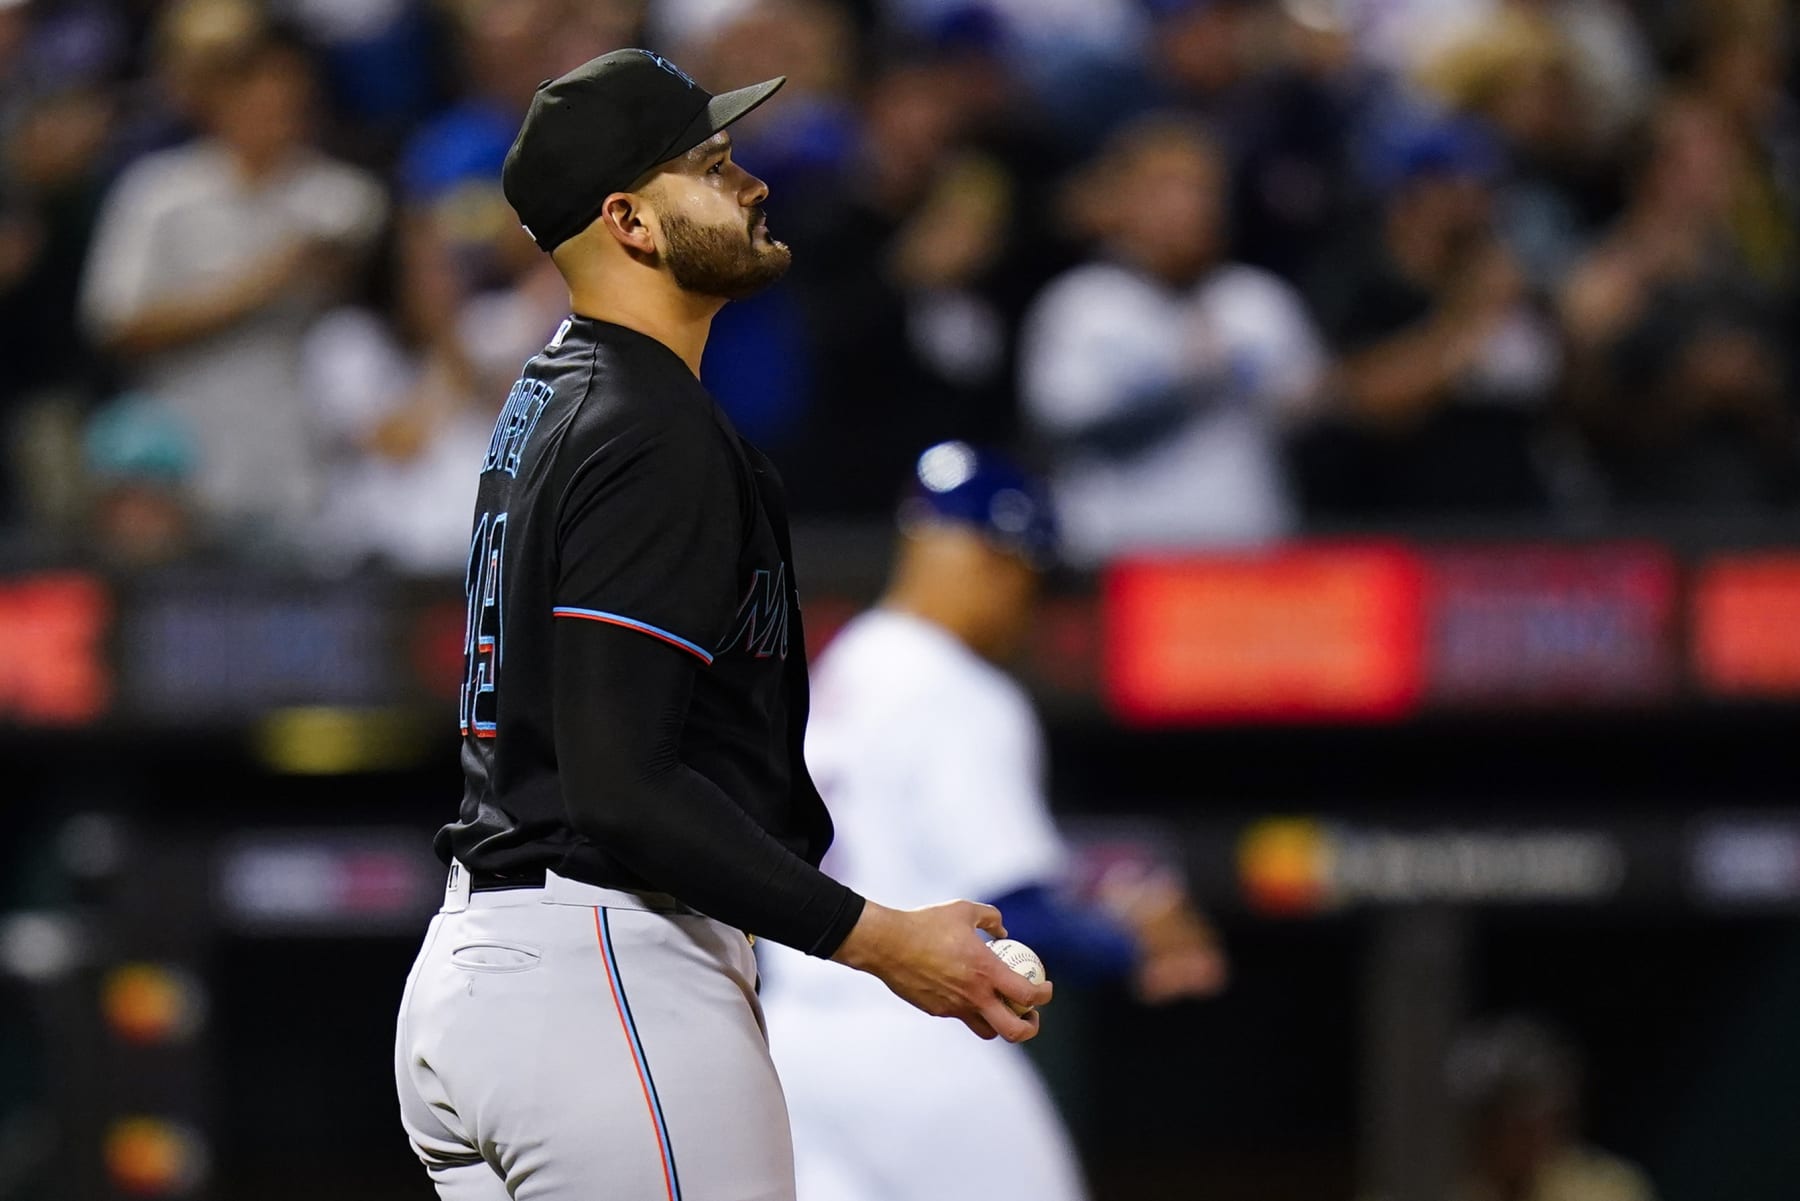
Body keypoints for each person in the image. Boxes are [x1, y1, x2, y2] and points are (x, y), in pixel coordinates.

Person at [391, 49, 1052, 1201]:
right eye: (711, 165)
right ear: (630, 221)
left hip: (486, 976)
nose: (750, 184)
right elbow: (623, 786)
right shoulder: (651, 426)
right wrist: (883, 940)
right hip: (606, 978)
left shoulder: (555, 393)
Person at [759, 441, 1227, 1201]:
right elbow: (1022, 918)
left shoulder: (846, 664)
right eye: (1026, 575)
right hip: (910, 1035)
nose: (1027, 604)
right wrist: (1133, 939)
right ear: (986, 557)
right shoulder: (962, 690)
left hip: (790, 1039)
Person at [77, 29, 387, 557]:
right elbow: (114, 322)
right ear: (218, 104)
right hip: (181, 465)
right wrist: (258, 286)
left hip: (301, 467)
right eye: (257, 103)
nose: (275, 119)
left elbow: (374, 304)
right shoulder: (158, 194)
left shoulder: (342, 199)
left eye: (289, 106)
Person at [1446, 1014, 1658, 1201]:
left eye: (1532, 1124)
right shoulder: (1450, 1189)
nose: (1527, 1140)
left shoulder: (1607, 1190)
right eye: (1502, 1123)